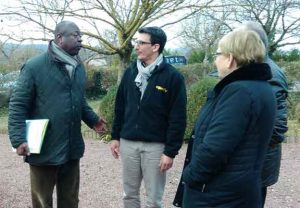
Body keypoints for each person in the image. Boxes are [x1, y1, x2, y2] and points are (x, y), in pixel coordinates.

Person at [8, 21, 107, 208]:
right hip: (43, 147)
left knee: (70, 200)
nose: (80, 39)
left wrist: (93, 120)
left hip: (71, 148)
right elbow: (18, 105)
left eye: (81, 36)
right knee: (42, 202)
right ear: (59, 38)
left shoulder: (78, 66)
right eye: (75, 35)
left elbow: (79, 100)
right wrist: (18, 138)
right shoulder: (34, 67)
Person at [177, 29, 277, 207]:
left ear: (230, 58)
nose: (216, 60)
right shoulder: (263, 88)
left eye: (218, 54)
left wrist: (190, 175)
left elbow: (216, 148)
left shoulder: (238, 91)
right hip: (242, 191)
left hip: (219, 196)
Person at [110, 26, 187, 208]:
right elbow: (120, 106)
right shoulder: (130, 73)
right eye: (136, 42)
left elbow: (178, 118)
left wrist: (170, 152)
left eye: (141, 42)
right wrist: (115, 136)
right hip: (128, 143)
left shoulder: (173, 77)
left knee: (153, 200)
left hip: (156, 147)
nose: (136, 46)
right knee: (129, 195)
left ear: (155, 47)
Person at [241, 21, 289, 207]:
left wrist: (248, 151)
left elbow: (277, 127)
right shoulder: (255, 68)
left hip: (257, 159)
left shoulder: (270, 73)